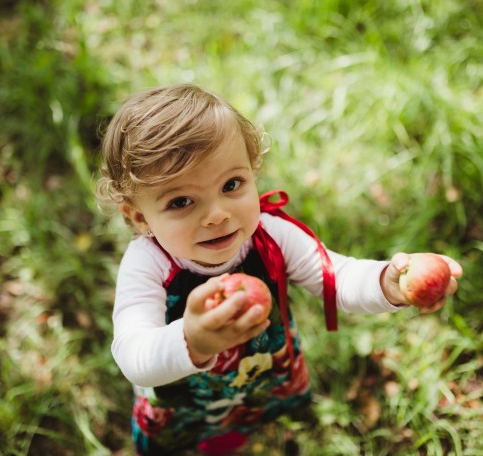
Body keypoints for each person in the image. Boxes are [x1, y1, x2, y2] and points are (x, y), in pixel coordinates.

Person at [96, 84, 463, 455]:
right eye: (181, 201)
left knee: (247, 416)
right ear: (140, 217)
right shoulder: (147, 265)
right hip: (184, 397)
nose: (218, 214)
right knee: (189, 438)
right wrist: (193, 340)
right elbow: (134, 355)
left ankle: (237, 433)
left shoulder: (269, 235)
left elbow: (337, 277)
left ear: (253, 171)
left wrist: (389, 283)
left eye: (232, 184)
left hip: (259, 376)